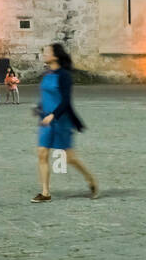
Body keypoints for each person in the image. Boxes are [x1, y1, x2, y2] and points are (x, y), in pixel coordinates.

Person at [32, 42, 98, 201]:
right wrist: (40, 108)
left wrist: (53, 115)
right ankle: (45, 192)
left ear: (56, 56)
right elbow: (47, 96)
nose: (44, 54)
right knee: (42, 153)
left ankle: (90, 179)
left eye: (47, 51)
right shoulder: (47, 74)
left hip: (61, 120)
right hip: (46, 120)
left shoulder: (65, 76)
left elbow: (66, 101)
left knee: (69, 158)